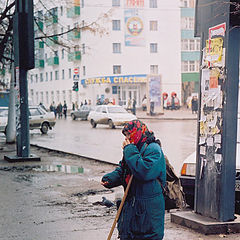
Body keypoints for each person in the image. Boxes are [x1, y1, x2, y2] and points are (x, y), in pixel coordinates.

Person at [101, 120, 166, 240]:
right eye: (125, 135)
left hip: (148, 209)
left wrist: (129, 150)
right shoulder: (133, 148)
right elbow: (124, 169)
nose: (127, 138)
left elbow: (144, 171)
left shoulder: (153, 149)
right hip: (133, 204)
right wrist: (110, 179)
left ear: (138, 132)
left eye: (129, 134)